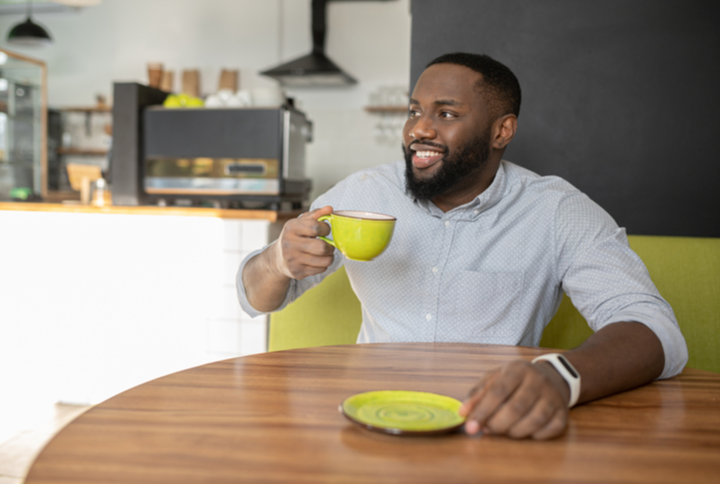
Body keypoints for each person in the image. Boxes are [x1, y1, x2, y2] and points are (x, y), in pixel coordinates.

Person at [237, 52, 688, 440]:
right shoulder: (360, 195)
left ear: (501, 131)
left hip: (494, 421)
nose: (419, 130)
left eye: (446, 114)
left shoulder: (557, 212)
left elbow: (655, 330)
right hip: (369, 415)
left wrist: (560, 376)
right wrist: (278, 259)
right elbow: (252, 297)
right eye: (414, 111)